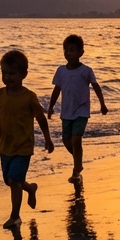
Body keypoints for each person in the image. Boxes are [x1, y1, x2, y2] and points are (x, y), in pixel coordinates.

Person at [0, 49, 54, 228]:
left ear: (23, 74)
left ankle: (15, 216)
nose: (7, 77)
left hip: (23, 147)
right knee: (10, 180)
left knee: (14, 181)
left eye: (12, 73)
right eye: (4, 73)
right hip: (5, 146)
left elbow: (41, 119)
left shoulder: (29, 97)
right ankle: (30, 188)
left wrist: (48, 139)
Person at [47, 34, 108, 181]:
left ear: (81, 52)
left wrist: (102, 104)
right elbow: (56, 90)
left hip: (81, 110)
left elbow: (96, 87)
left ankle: (76, 170)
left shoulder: (86, 71)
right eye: (66, 49)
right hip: (66, 112)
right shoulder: (61, 71)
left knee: (76, 140)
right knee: (66, 140)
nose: (68, 52)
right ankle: (78, 160)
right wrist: (50, 107)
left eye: (72, 50)